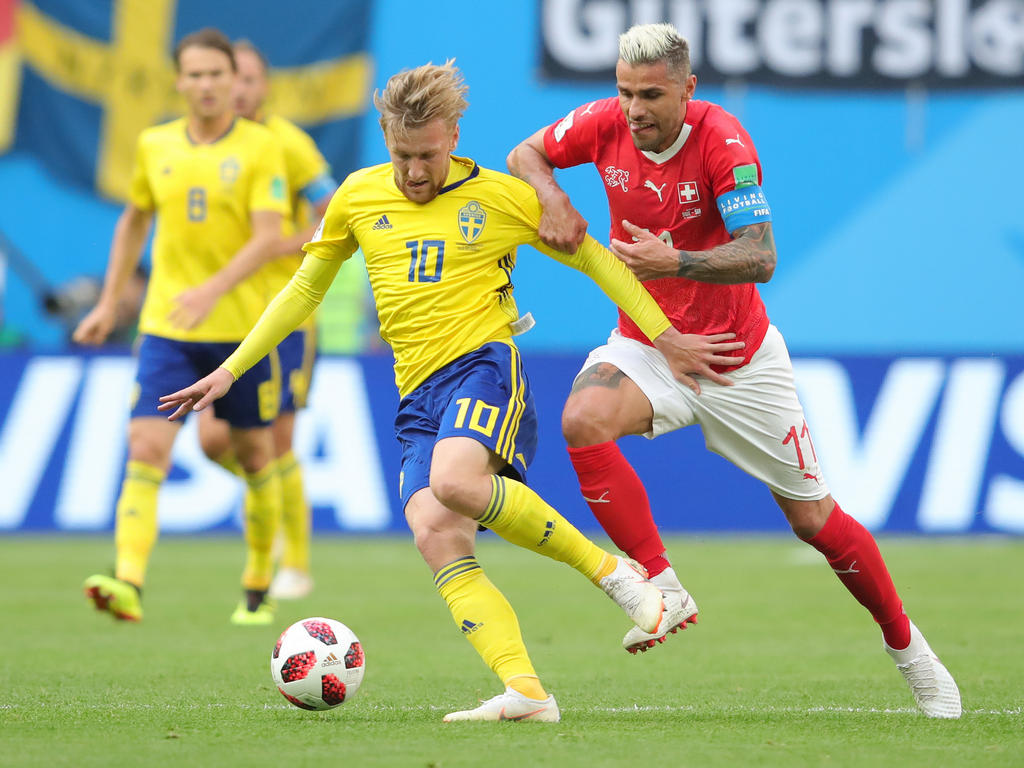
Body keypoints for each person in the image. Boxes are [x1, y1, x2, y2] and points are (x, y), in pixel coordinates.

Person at [158, 61, 746, 722]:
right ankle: (526, 692)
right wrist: (232, 368)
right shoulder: (356, 197)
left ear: (455, 135)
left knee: (455, 483)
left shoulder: (500, 198)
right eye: (402, 155)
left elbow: (598, 262)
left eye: (428, 155)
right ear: (386, 139)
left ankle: (617, 577)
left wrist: (665, 335)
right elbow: (303, 291)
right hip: (417, 394)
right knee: (436, 532)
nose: (414, 171)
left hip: (484, 365)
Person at [506, 22, 961, 718]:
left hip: (736, 359)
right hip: (648, 345)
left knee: (814, 520)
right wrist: (553, 196)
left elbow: (762, 253)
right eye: (626, 92)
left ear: (688, 90)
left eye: (652, 94)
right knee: (582, 419)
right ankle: (664, 584)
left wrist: (676, 261)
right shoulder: (603, 124)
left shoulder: (724, 141)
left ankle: (910, 650)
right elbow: (526, 152)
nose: (635, 109)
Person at [74, 27, 290, 626]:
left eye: (216, 74)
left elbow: (270, 236)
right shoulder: (154, 145)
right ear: (179, 81)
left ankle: (256, 585)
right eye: (193, 74)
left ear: (233, 80)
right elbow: (133, 221)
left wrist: (214, 289)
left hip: (242, 333)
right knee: (145, 450)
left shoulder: (259, 147)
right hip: (167, 329)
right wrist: (109, 302)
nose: (205, 85)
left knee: (253, 456)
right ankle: (128, 582)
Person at [196, 39, 340, 601]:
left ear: (264, 87)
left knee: (278, 441)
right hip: (227, 317)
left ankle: (297, 565)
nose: (238, 89)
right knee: (212, 440)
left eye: (250, 80)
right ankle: (275, 505)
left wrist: (289, 242)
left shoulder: (285, 143)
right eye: (233, 79)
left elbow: (329, 206)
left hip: (283, 317)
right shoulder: (210, 147)